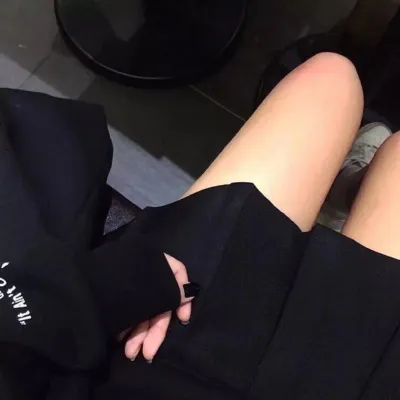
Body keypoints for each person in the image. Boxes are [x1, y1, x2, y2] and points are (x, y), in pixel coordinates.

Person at [2, 52, 400, 400]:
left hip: (144, 352)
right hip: (147, 363)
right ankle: (343, 200)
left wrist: (84, 300)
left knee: (329, 81)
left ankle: (341, 194)